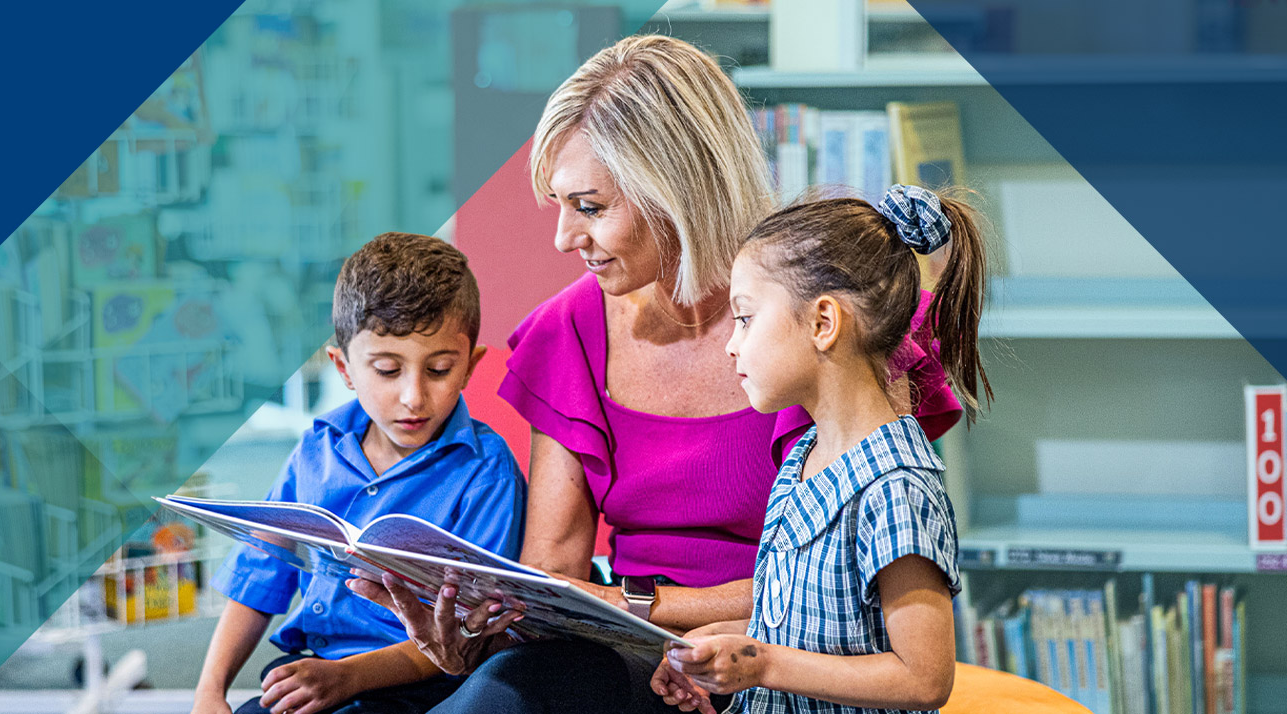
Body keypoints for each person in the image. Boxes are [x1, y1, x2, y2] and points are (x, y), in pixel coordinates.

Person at [349, 35, 963, 714]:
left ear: (677, 187)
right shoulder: (570, 329)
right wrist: (469, 633)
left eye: (589, 206)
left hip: (781, 662)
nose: (562, 238)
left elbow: (848, 578)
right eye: (559, 204)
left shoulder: (835, 320)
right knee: (495, 693)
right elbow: (554, 577)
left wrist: (642, 604)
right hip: (639, 657)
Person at [654, 185, 988, 713]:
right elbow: (812, 630)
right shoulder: (802, 456)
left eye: (745, 318)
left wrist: (762, 662)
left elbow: (923, 678)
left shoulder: (896, 486)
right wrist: (718, 646)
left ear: (823, 323)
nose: (731, 343)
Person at [193, 232, 527, 714]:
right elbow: (260, 571)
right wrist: (209, 691)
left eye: (439, 370)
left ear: (470, 366)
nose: (414, 397)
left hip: (423, 679)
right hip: (315, 668)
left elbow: (469, 635)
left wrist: (347, 677)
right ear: (344, 368)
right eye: (388, 371)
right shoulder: (316, 450)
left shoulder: (487, 472)